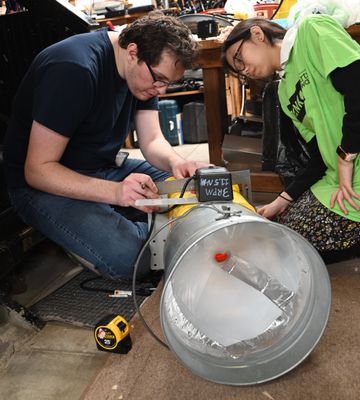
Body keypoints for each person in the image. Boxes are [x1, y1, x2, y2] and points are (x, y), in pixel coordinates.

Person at [3, 12, 209, 279]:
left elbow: (152, 140)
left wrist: (176, 162)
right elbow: (38, 170)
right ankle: (93, 232)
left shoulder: (143, 74)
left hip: (101, 166)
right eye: (158, 79)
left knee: (194, 187)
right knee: (137, 259)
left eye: (167, 83)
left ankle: (128, 222)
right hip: (44, 184)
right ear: (133, 52)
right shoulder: (74, 69)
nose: (161, 91)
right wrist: (115, 193)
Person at [222, 14, 360, 263]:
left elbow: (358, 87)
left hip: (352, 166)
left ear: (257, 34)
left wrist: (345, 155)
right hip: (337, 177)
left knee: (299, 242)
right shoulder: (285, 93)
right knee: (285, 229)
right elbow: (319, 156)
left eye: (239, 58)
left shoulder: (312, 30)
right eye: (238, 71)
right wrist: (281, 200)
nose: (245, 70)